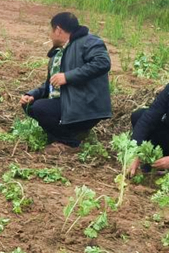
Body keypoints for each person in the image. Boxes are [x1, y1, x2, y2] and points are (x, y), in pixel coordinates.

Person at [21, 12, 112, 150]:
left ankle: (68, 142)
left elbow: (102, 63)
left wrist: (67, 77)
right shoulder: (58, 53)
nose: (50, 35)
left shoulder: (89, 41)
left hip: (84, 105)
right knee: (31, 105)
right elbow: (51, 85)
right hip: (67, 103)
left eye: (50, 30)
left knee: (40, 108)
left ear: (58, 30)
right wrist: (32, 94)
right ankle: (69, 135)